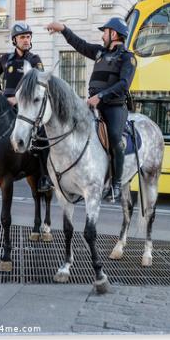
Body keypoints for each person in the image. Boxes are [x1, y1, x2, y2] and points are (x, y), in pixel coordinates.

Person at [46, 17, 136, 202]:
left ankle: (116, 185)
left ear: (114, 34)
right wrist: (63, 29)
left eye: (105, 32)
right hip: (91, 104)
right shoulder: (99, 53)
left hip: (114, 107)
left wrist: (101, 97)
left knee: (114, 138)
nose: (102, 35)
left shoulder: (128, 57)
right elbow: (80, 45)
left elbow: (124, 85)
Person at [0, 22, 52, 193]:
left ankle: (45, 177)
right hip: (5, 105)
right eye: (23, 37)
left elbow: (40, 82)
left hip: (25, 107)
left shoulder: (35, 60)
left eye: (28, 36)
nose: (26, 40)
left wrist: (18, 100)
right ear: (14, 40)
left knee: (42, 137)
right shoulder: (4, 59)